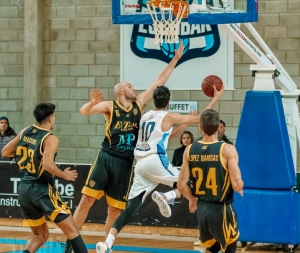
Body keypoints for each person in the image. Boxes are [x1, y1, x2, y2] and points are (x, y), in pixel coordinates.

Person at [63, 43, 185, 253]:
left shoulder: (139, 103)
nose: (133, 87)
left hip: (126, 163)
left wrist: (175, 59)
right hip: (106, 158)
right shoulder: (110, 106)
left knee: (114, 208)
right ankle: (71, 243)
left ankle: (106, 247)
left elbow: (159, 81)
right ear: (120, 91)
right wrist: (92, 103)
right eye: (129, 85)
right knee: (86, 201)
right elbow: (83, 112)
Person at [95, 85, 224, 253]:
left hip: (140, 165)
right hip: (155, 160)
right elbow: (202, 118)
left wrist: (181, 126)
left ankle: (107, 243)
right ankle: (166, 196)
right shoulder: (168, 116)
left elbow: (167, 136)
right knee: (186, 182)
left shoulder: (145, 116)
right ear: (168, 102)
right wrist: (215, 98)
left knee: (131, 209)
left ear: (154, 100)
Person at [1, 103, 88, 253]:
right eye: (54, 116)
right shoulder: (50, 138)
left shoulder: (26, 130)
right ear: (50, 118)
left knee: (41, 235)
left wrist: (28, 157)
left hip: (24, 190)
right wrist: (64, 174)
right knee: (73, 231)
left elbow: (6, 151)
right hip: (41, 188)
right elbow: (48, 165)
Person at [178, 109, 244, 253]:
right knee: (230, 246)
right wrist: (239, 187)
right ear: (218, 127)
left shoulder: (189, 150)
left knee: (215, 245)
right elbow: (237, 183)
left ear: (200, 128)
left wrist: (191, 198)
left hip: (202, 209)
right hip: (221, 208)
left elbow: (181, 185)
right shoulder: (227, 149)